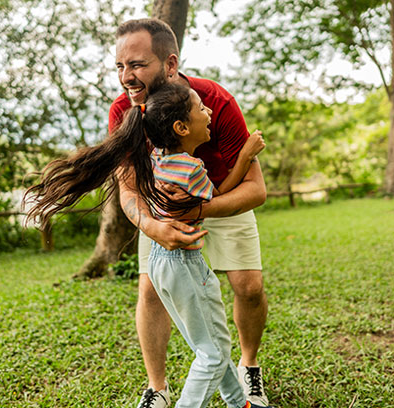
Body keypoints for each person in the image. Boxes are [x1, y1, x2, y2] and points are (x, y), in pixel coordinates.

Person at [24, 83, 269, 408]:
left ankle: (239, 403)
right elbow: (223, 193)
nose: (208, 112)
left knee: (207, 340)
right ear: (181, 128)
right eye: (200, 110)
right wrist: (246, 156)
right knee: (213, 353)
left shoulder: (154, 158)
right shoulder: (193, 169)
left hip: (158, 260)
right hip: (186, 264)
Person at [110, 19, 271, 407]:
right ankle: (157, 388)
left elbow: (256, 190)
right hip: (163, 212)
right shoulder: (123, 112)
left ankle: (247, 370)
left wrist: (198, 207)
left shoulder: (214, 101)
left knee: (248, 287)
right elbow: (128, 187)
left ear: (169, 64)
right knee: (149, 290)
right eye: (119, 67)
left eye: (137, 65)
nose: (126, 78)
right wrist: (151, 224)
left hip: (219, 195)